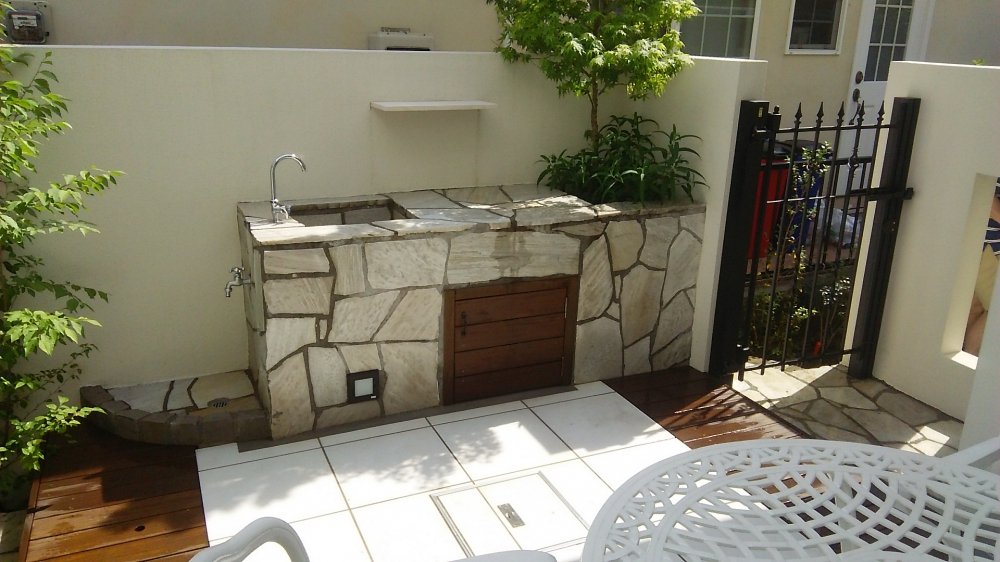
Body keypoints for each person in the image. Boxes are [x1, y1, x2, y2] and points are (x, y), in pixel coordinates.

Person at [964, 180, 1000, 356]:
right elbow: (988, 200)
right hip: (990, 249)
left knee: (976, 309)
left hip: (983, 246)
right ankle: (970, 360)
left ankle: (967, 363)